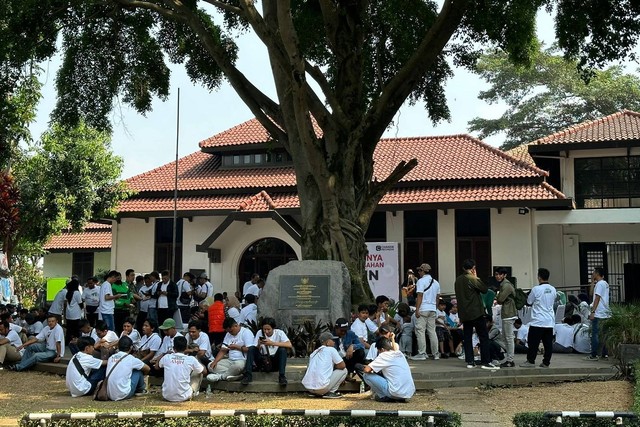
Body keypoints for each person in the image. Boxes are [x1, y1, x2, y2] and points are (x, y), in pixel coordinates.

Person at [454, 259, 499, 370]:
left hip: (464, 313)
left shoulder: (458, 280)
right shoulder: (472, 278)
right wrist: (476, 276)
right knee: (483, 336)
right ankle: (485, 361)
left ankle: (470, 361)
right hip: (476, 312)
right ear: (473, 268)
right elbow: (484, 289)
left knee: (468, 337)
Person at [520, 268, 556, 368]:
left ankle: (531, 361)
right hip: (549, 321)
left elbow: (529, 302)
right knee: (548, 343)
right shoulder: (553, 289)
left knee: (533, 342)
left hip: (538, 320)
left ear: (539, 277)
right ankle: (546, 362)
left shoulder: (536, 289)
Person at [361, 337, 416, 403]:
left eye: (378, 351)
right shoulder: (399, 353)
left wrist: (363, 366)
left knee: (366, 375)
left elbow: (367, 370)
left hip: (395, 392)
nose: (378, 352)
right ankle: (398, 397)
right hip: (408, 393)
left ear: (382, 349)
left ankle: (383, 396)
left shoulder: (383, 355)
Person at [242, 317, 292, 385]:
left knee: (282, 350)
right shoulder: (260, 332)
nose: (266, 331)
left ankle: (282, 376)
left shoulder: (279, 333)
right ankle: (248, 375)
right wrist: (259, 344)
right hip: (263, 360)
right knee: (251, 348)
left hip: (274, 360)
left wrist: (272, 343)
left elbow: (289, 344)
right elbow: (256, 348)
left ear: (273, 328)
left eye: (268, 329)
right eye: (264, 329)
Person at [157, 335, 204, 401]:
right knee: (199, 371)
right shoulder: (190, 359)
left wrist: (163, 354)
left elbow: (157, 367)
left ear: (173, 348)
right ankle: (193, 392)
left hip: (166, 396)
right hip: (184, 397)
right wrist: (198, 362)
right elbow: (204, 371)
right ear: (186, 347)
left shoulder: (167, 357)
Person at [206, 317, 254, 382]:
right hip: (230, 360)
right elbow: (223, 350)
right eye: (228, 332)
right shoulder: (228, 334)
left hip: (242, 360)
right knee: (210, 366)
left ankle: (220, 377)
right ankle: (235, 375)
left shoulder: (246, 332)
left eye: (231, 331)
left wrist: (236, 347)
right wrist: (215, 361)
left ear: (236, 325)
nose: (230, 333)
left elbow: (250, 350)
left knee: (237, 366)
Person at [302, 331, 347, 398]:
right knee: (344, 370)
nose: (334, 342)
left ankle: (315, 393)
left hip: (309, 388)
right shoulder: (331, 349)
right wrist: (333, 366)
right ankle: (331, 392)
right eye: (332, 340)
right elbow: (342, 366)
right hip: (322, 388)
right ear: (328, 342)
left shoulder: (314, 352)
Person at [106, 335, 151, 400]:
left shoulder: (111, 358)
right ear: (131, 348)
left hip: (109, 394)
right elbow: (147, 368)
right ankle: (141, 389)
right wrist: (144, 375)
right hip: (123, 394)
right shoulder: (131, 359)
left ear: (118, 347)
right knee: (138, 371)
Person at [410, 263, 440, 361]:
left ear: (423, 271)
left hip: (423, 308)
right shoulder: (436, 283)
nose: (418, 272)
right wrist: (435, 308)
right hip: (432, 309)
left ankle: (422, 353)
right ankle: (436, 353)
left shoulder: (421, 281)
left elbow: (420, 296)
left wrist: (417, 309)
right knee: (432, 331)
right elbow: (437, 298)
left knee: (420, 331)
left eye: (419, 270)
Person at [494, 267, 517, 368]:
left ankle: (510, 360)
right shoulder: (504, 284)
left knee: (508, 337)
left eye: (499, 274)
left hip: (509, 313)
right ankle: (509, 358)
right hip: (506, 313)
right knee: (505, 337)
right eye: (496, 274)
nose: (497, 276)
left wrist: (498, 296)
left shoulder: (506, 285)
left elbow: (500, 299)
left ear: (504, 275)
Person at [587, 267, 611, 361]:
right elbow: (591, 293)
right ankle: (604, 354)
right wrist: (592, 282)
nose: (592, 274)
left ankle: (594, 354)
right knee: (604, 334)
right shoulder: (603, 284)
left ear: (597, 273)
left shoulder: (600, 284)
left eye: (593, 272)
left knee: (595, 334)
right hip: (605, 313)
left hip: (599, 312)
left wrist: (593, 312)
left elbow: (597, 298)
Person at [64, 279, 84, 345]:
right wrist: (82, 308)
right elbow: (80, 303)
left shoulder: (68, 292)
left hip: (68, 313)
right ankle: (77, 342)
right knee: (76, 329)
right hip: (75, 314)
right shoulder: (77, 293)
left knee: (69, 329)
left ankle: (67, 341)